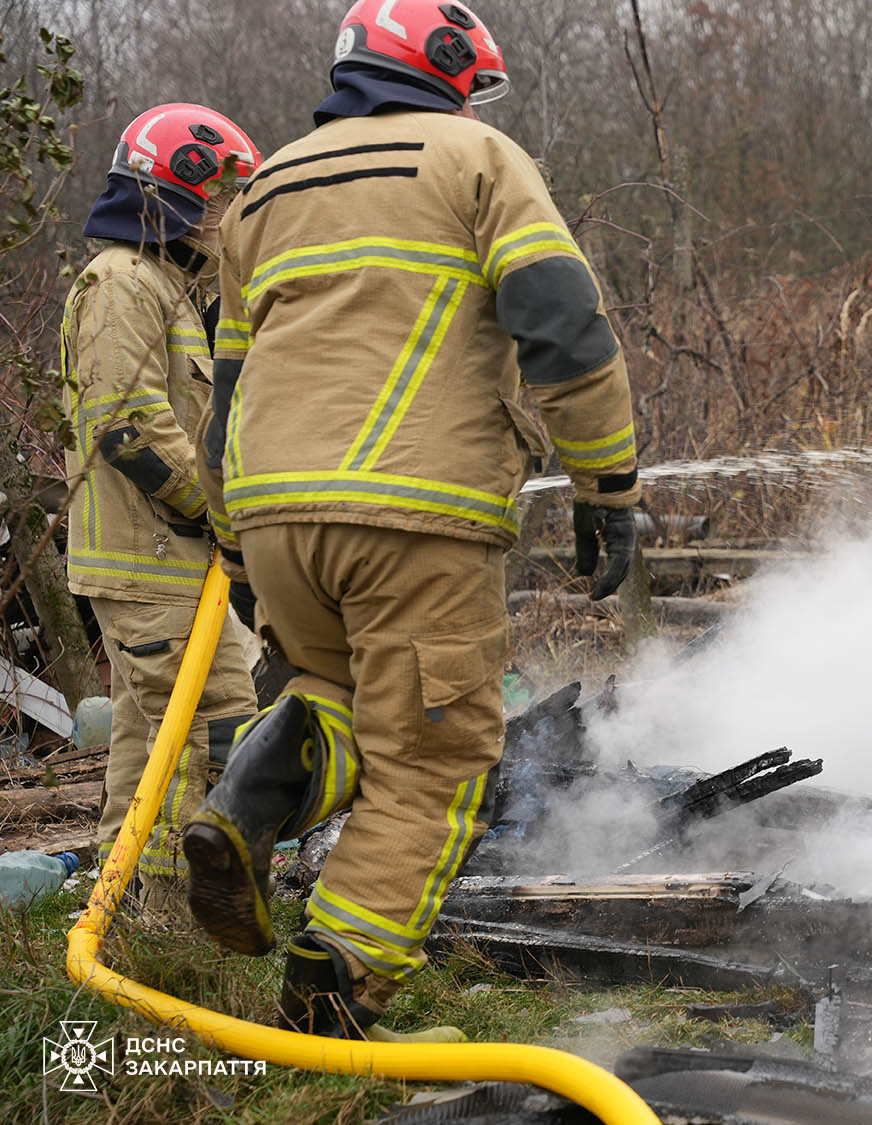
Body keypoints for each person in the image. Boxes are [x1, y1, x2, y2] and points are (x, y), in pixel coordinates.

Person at [184, 0, 640, 1039]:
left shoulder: (263, 193)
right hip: (415, 515)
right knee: (437, 763)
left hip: (272, 516)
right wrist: (607, 484)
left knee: (331, 693)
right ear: (443, 66)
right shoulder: (475, 155)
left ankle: (246, 810)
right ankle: (333, 1000)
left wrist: (234, 545)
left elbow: (225, 394)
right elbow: (562, 323)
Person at [61, 104, 262, 911]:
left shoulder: (169, 291)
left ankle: (123, 911)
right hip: (151, 567)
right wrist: (221, 511)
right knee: (217, 731)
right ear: (176, 189)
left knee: (147, 748)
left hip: (166, 565)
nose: (228, 214)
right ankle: (186, 927)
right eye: (221, 194)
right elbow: (127, 425)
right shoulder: (121, 283)